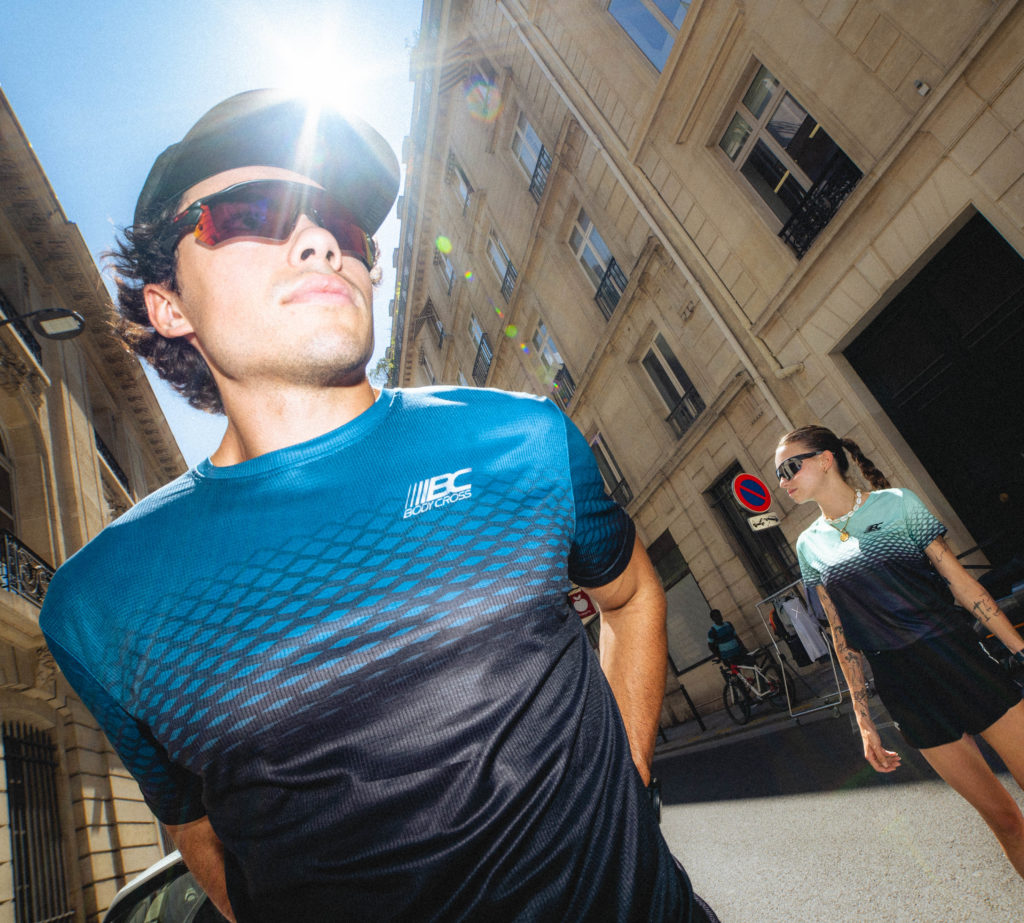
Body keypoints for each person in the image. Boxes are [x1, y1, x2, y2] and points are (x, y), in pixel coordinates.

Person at [38, 90, 719, 923]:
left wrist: (628, 781)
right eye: (250, 213)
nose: (322, 240)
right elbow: (196, 826)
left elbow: (633, 594)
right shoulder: (99, 603)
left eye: (342, 225)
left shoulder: (521, 438)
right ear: (168, 304)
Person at [775, 424, 1024, 877]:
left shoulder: (898, 503)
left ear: (826, 460)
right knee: (1006, 823)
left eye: (790, 467)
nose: (783, 481)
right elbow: (840, 636)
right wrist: (864, 721)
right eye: (778, 474)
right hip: (905, 691)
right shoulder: (808, 545)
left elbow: (961, 583)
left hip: (961, 660)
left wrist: (1019, 647)